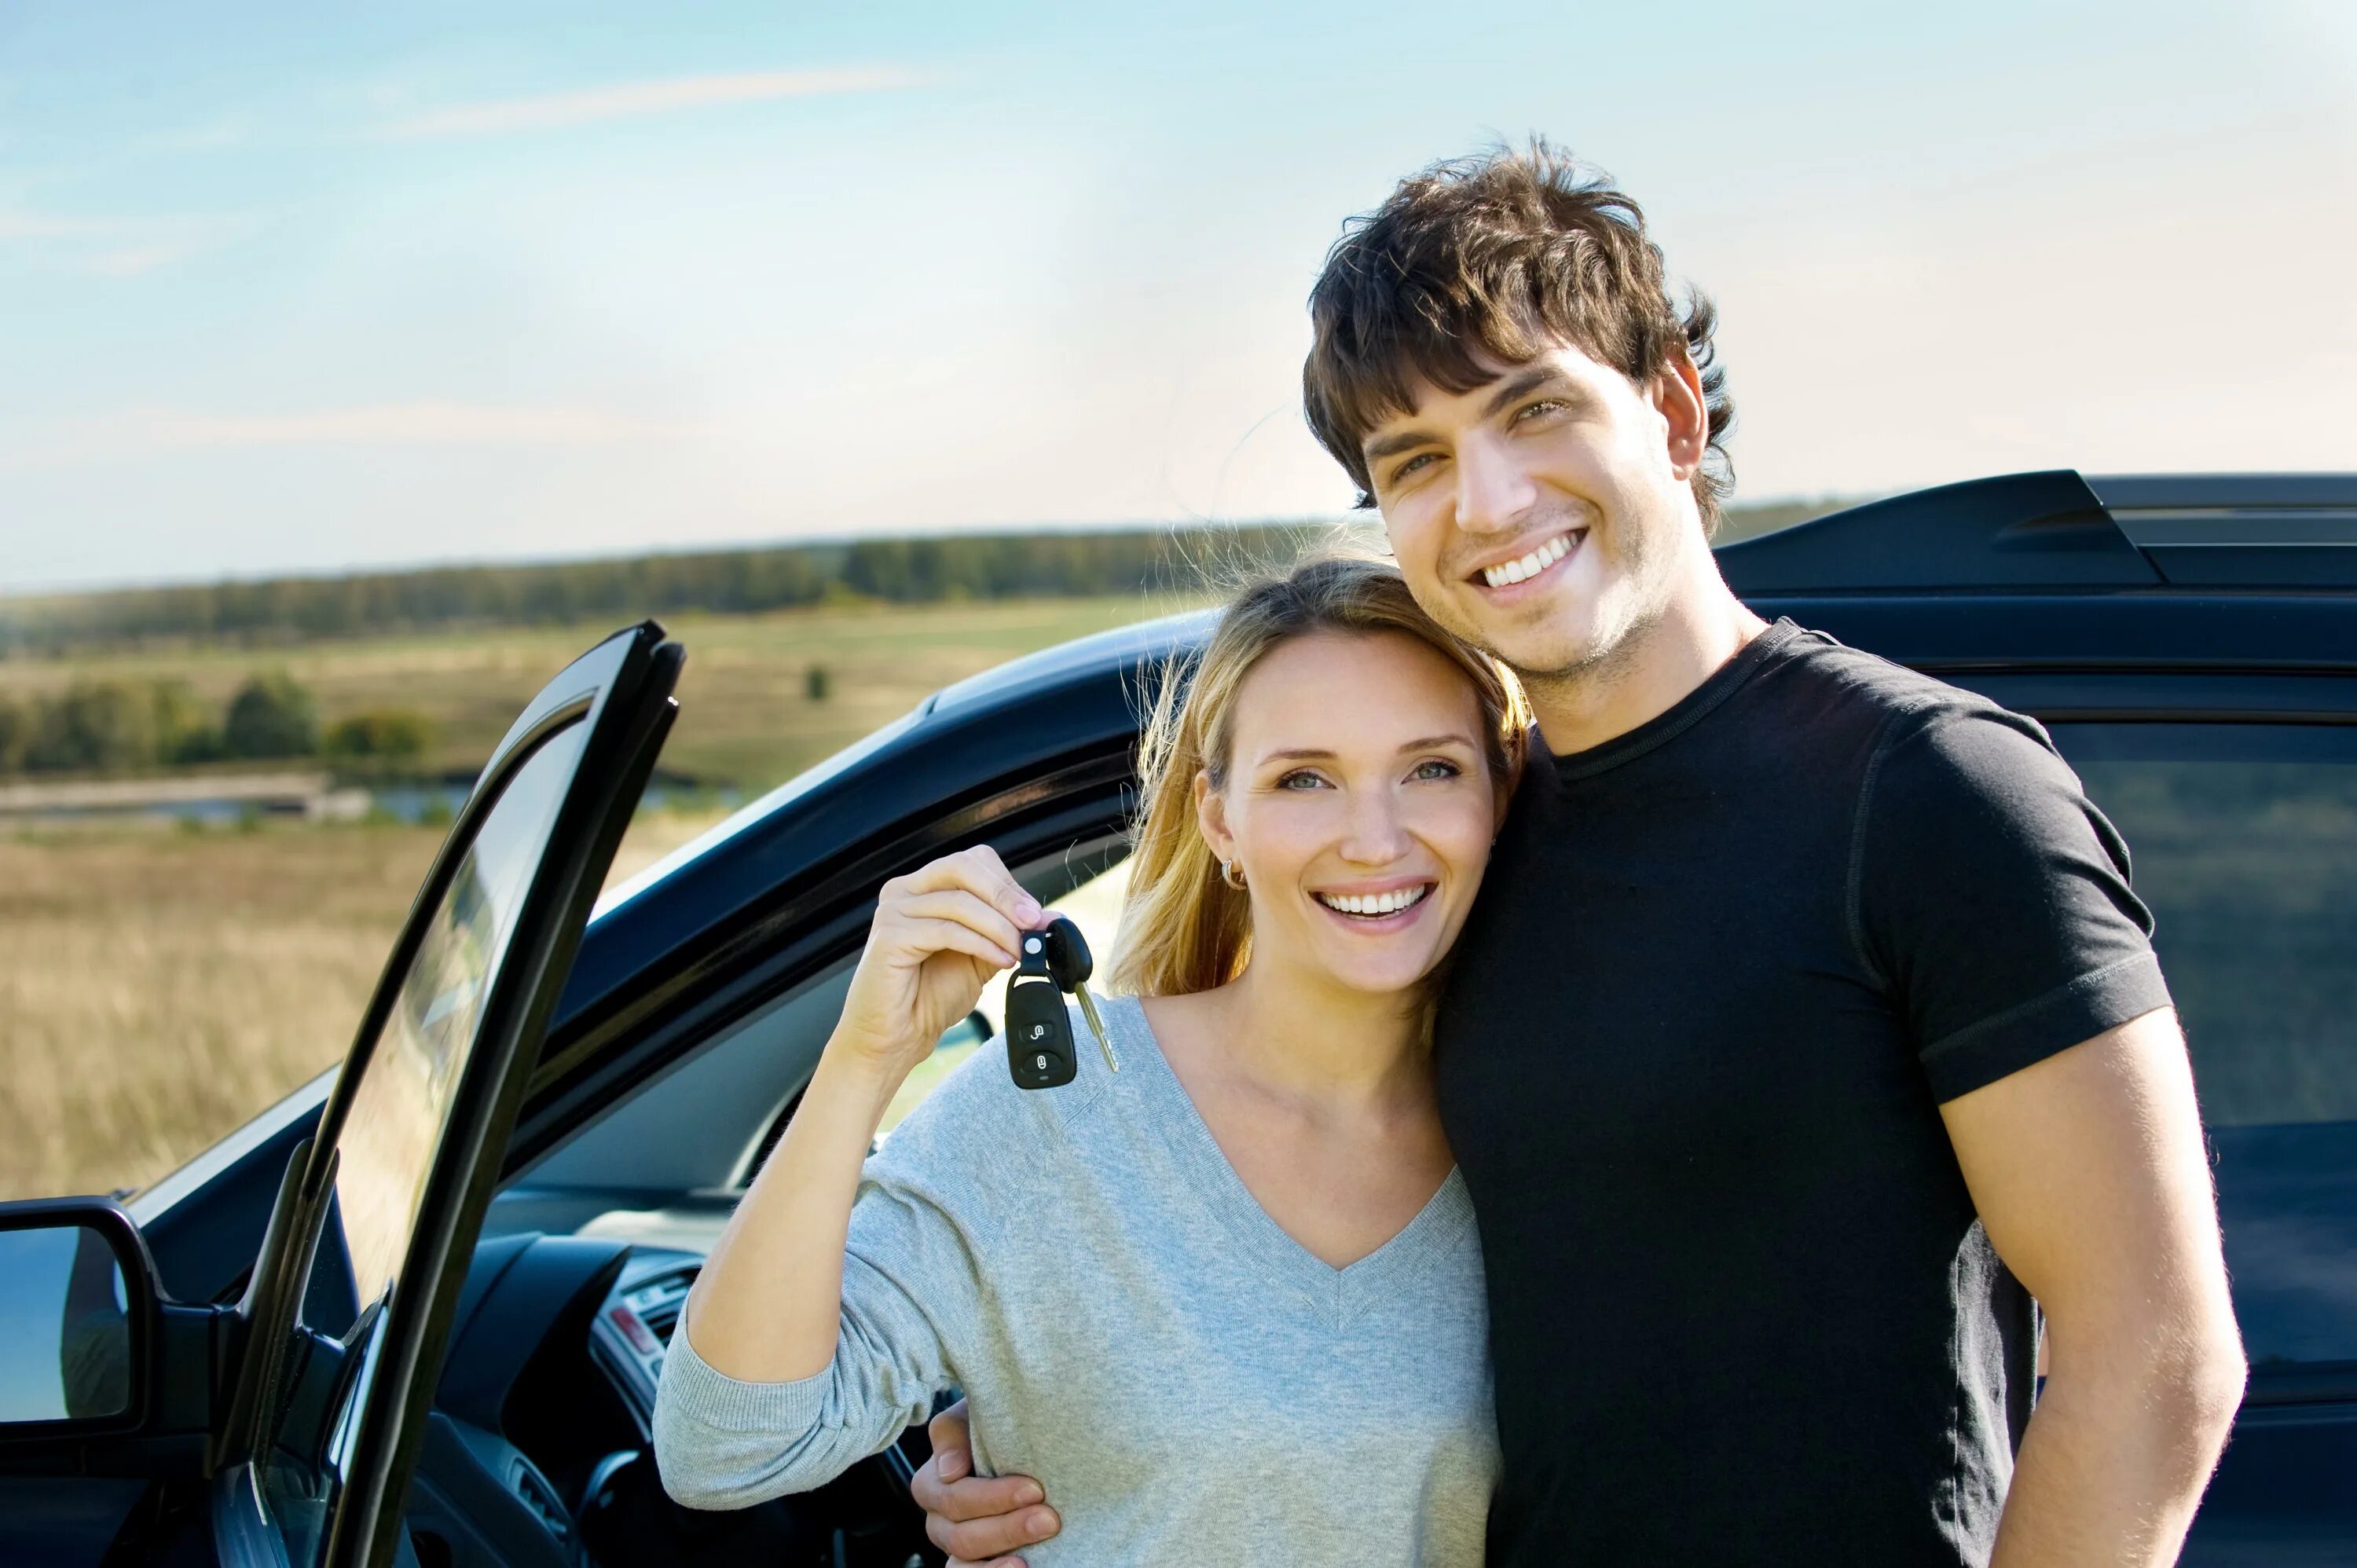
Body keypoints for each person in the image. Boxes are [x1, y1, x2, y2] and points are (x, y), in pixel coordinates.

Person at [915, 142, 2247, 1568]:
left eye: (1533, 409)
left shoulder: (1927, 793)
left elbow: (2156, 1365)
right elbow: (1281, 1191)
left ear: (1671, 410)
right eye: (1414, 461)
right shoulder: (1448, 844)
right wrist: (1008, 1410)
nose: (1485, 503)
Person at [651, 551, 1529, 1564]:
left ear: (1497, 801)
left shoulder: (1562, 1130)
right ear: (1220, 822)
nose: (1375, 840)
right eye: (1304, 779)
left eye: (1431, 769)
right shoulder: (1056, 1113)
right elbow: (725, 1447)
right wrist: (863, 1059)